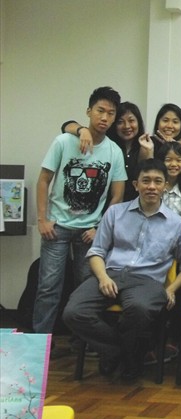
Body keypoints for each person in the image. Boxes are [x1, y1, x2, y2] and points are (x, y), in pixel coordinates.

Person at [62, 159, 181, 380]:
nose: (151, 186)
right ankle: (120, 352)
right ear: (136, 184)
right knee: (74, 312)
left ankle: (119, 356)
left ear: (164, 186)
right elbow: (96, 252)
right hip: (111, 274)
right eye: (146, 181)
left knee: (139, 310)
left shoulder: (178, 224)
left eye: (157, 181)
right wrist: (103, 277)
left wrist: (171, 289)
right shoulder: (115, 213)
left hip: (148, 281)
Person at [34, 87, 127, 335]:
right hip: (57, 228)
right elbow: (43, 180)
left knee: (86, 290)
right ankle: (41, 343)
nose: (104, 117)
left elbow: (117, 196)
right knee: (48, 288)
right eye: (100, 111)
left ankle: (83, 343)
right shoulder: (64, 142)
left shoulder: (114, 151)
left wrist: (100, 228)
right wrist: (42, 219)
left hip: (90, 232)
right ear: (88, 111)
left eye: (110, 113)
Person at [61, 101, 144, 202]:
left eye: (131, 120)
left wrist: (148, 152)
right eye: (120, 122)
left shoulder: (147, 145)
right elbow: (66, 125)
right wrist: (82, 130)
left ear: (139, 122)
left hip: (137, 206)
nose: (127, 126)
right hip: (104, 207)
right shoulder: (106, 145)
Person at [139, 103, 181, 181]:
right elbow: (144, 179)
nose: (169, 126)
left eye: (175, 122)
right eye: (165, 120)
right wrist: (150, 151)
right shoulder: (147, 144)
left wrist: (179, 149)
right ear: (158, 122)